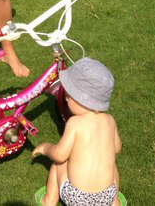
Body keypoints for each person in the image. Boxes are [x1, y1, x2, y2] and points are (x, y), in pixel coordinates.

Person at [32, 57, 122, 206]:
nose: (66, 99)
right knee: (112, 166)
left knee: (58, 163)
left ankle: (49, 199)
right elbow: (116, 148)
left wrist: (45, 148)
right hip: (106, 196)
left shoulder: (74, 123)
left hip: (78, 198)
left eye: (70, 95)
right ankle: (115, 201)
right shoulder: (110, 121)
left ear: (84, 100)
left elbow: (59, 154)